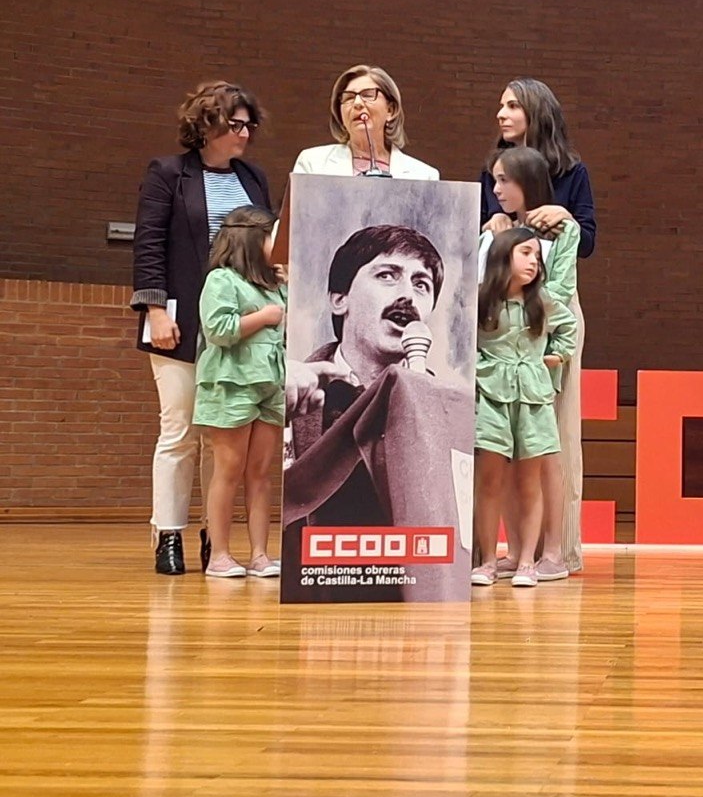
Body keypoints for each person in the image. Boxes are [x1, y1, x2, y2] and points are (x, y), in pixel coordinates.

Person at [281, 224, 473, 603]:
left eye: (421, 284)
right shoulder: (291, 388)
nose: (407, 295)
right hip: (313, 603)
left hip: (414, 602)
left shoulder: (451, 408)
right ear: (340, 299)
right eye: (387, 275)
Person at [131, 81, 271, 575]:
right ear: (206, 124)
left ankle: (217, 536)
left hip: (240, 327)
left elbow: (265, 248)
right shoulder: (169, 173)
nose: (244, 134)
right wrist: (155, 310)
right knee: (180, 430)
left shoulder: (254, 178)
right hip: (181, 322)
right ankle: (168, 533)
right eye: (235, 124)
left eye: (249, 125)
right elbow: (149, 244)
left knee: (224, 434)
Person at [478, 78, 595, 573]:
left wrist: (564, 217)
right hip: (501, 323)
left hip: (548, 317)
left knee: (552, 437)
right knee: (504, 440)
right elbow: (486, 248)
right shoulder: (494, 174)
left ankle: (556, 548)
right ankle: (515, 547)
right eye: (500, 105)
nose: (501, 113)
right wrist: (492, 226)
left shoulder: (572, 171)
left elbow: (585, 241)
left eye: (512, 105)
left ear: (536, 111)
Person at [471, 227, 577, 588]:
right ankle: (488, 560)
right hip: (491, 396)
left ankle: (528, 561)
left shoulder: (542, 301)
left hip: (533, 398)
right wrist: (480, 366)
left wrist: (558, 355)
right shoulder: (480, 299)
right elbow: (461, 338)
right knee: (489, 480)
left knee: (530, 481)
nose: (533, 262)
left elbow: (568, 327)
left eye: (536, 256)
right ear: (504, 256)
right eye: (525, 253)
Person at [192, 207, 287, 578]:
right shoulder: (222, 280)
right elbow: (218, 329)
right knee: (229, 469)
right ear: (251, 239)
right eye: (272, 237)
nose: (279, 245)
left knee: (260, 473)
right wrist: (263, 317)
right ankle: (219, 554)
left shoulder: (277, 284)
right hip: (232, 382)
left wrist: (290, 284)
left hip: (271, 384)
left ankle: (260, 554)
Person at [293, 65, 440, 179]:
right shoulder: (313, 163)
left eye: (368, 95)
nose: (357, 103)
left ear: (390, 110)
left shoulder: (424, 176)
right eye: (349, 98)